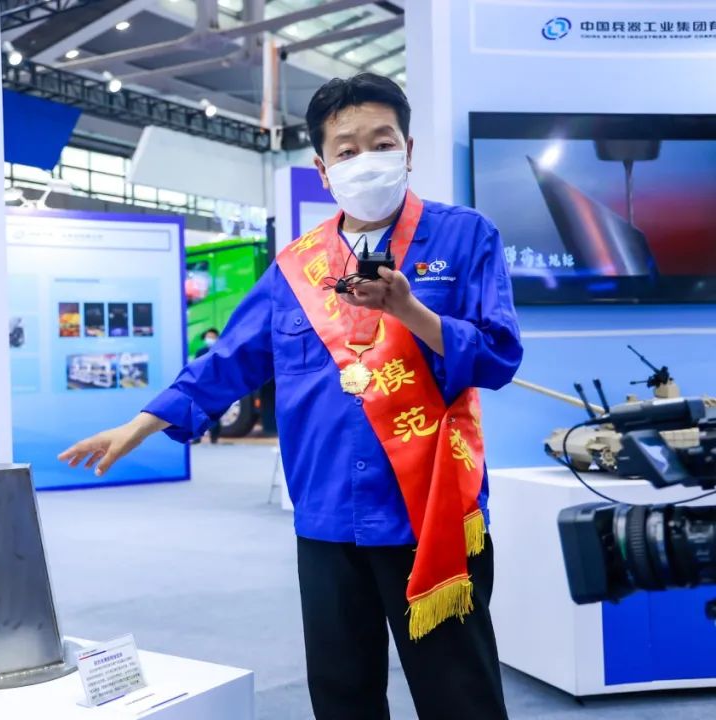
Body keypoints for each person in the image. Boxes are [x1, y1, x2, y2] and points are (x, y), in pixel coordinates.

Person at [58, 73, 522, 720]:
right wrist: (138, 425)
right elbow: (229, 360)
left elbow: (498, 356)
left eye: (382, 143)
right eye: (347, 150)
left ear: (409, 149)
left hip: (431, 511)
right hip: (328, 513)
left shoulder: (465, 237)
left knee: (459, 696)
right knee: (341, 695)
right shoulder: (296, 267)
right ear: (323, 169)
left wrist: (411, 312)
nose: (367, 160)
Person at [193, 328, 222, 444]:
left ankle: (214, 437)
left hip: (216, 385)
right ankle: (197, 437)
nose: (210, 339)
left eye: (212, 337)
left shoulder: (221, 350)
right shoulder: (200, 352)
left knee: (215, 411)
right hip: (202, 385)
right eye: (208, 337)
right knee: (198, 412)